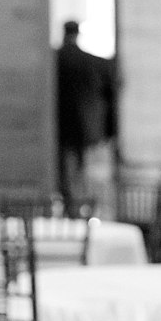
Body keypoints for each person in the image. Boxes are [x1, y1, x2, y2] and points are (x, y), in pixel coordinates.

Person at [54, 20, 117, 214]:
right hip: (89, 128)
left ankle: (74, 210)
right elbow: (110, 97)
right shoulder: (95, 62)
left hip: (63, 127)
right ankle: (85, 211)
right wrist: (110, 130)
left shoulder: (57, 60)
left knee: (68, 175)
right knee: (85, 176)